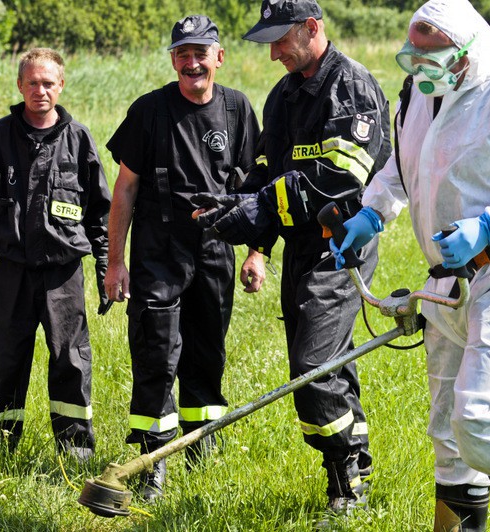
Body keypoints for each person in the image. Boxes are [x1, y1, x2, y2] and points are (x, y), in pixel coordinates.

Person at [330, 0, 490, 529]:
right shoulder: (416, 102)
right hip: (448, 282)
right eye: (413, 57)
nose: (420, 68)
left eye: (433, 56)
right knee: (448, 430)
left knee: (479, 414)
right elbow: (402, 170)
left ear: (467, 53)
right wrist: (371, 214)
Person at [191, 0, 391, 515]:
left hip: (339, 246)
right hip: (301, 247)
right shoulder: (282, 96)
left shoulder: (352, 87)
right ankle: (352, 470)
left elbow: (339, 182)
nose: (275, 52)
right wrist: (234, 209)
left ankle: (347, 483)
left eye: (282, 40)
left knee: (312, 367)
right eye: (270, 43)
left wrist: (257, 208)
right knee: (324, 365)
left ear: (312, 28)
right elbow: (265, 176)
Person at [104, 15, 262, 500]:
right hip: (158, 249)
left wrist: (257, 253)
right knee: (156, 352)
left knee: (207, 354)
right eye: (182, 53)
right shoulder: (149, 111)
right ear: (172, 59)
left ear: (219, 56)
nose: (192, 62)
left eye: (201, 52)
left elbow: (257, 190)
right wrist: (115, 262)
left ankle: (201, 447)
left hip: (217, 249)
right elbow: (125, 190)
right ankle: (154, 459)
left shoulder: (237, 109)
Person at [0, 48, 112, 462]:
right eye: (33, 83)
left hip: (63, 274)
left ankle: (74, 451)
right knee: (6, 359)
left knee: (71, 361)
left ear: (61, 86)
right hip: (12, 272)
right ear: (20, 85)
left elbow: (100, 211)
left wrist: (107, 265)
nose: (40, 90)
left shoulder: (80, 140)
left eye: (48, 83)